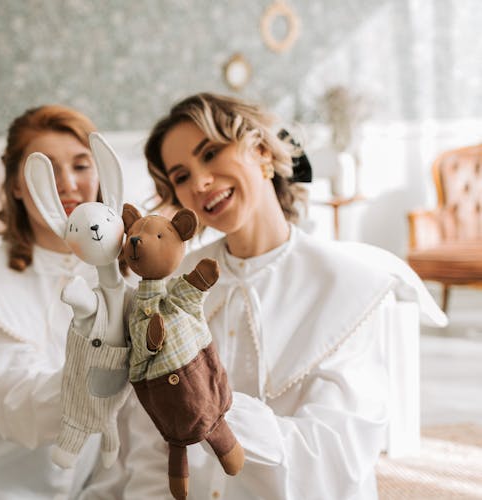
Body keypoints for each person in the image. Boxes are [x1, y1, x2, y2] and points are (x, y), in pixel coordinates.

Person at [131, 92, 444, 499]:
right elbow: (149, 443)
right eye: (181, 176)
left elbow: (337, 453)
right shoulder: (177, 287)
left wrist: (217, 409)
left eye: (210, 153)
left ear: (261, 152)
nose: (200, 183)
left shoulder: (347, 287)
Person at [0, 105, 165, 499]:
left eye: (81, 166)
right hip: (14, 466)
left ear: (101, 173)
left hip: (128, 459)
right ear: (16, 184)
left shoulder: (143, 263)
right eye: (47, 168)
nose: (67, 184)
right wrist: (96, 374)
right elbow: (14, 407)